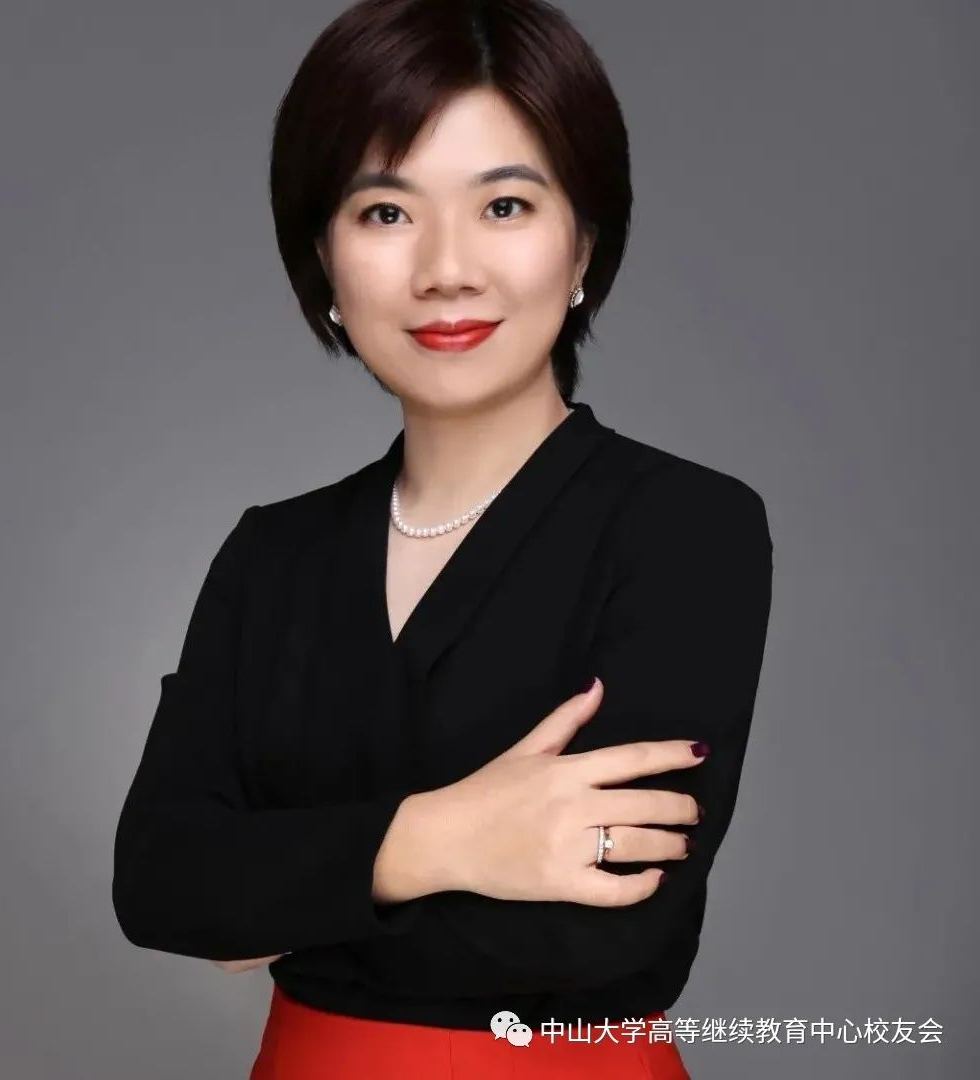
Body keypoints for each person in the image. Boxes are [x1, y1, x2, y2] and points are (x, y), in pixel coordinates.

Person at [111, 1, 774, 1076]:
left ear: (584, 244)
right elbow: (160, 885)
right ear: (324, 257)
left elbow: (603, 931)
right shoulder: (271, 555)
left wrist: (282, 893)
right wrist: (444, 838)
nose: (446, 268)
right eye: (385, 212)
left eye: (505, 204)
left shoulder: (685, 525)